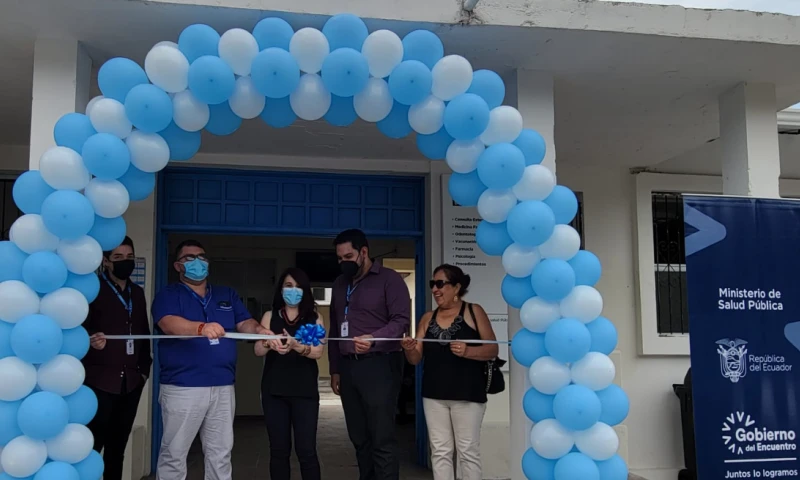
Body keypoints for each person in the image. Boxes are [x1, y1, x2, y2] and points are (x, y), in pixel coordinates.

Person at [152, 239, 272, 480]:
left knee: (220, 452)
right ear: (177, 266)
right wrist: (200, 328)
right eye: (189, 258)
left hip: (222, 386)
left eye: (202, 257)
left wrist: (260, 331)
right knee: (174, 454)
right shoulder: (168, 294)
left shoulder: (225, 294)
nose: (197, 262)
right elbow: (168, 324)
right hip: (183, 387)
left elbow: (244, 322)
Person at [401, 264, 498, 480]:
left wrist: (467, 351)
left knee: (468, 452)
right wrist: (409, 349)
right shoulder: (427, 318)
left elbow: (493, 349)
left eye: (440, 284)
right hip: (434, 395)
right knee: (440, 452)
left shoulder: (474, 311)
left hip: (468, 394)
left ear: (456, 287)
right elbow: (416, 358)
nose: (435, 289)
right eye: (432, 284)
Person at [328, 229, 411, 480]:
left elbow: (401, 321)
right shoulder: (340, 284)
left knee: (381, 438)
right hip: (348, 367)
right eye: (340, 258)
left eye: (349, 256)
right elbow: (335, 328)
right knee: (359, 438)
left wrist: (373, 339)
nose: (344, 262)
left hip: (380, 365)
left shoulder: (390, 279)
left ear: (364, 252)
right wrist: (335, 369)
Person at [81, 236, 152, 480]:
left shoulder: (138, 292)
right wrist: (89, 338)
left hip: (131, 382)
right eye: (119, 258)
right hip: (99, 381)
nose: (125, 262)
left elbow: (144, 333)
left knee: (117, 449)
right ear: (106, 261)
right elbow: (77, 328)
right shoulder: (92, 290)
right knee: (92, 447)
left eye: (129, 257)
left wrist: (144, 371)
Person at [254, 267, 325, 480]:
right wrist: (269, 342)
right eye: (288, 286)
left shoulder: (314, 318)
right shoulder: (270, 316)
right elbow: (257, 350)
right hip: (274, 392)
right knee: (278, 451)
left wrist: (297, 346)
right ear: (281, 289)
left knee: (306, 451)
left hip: (305, 393)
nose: (293, 290)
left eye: (298, 286)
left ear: (305, 291)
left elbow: (317, 352)